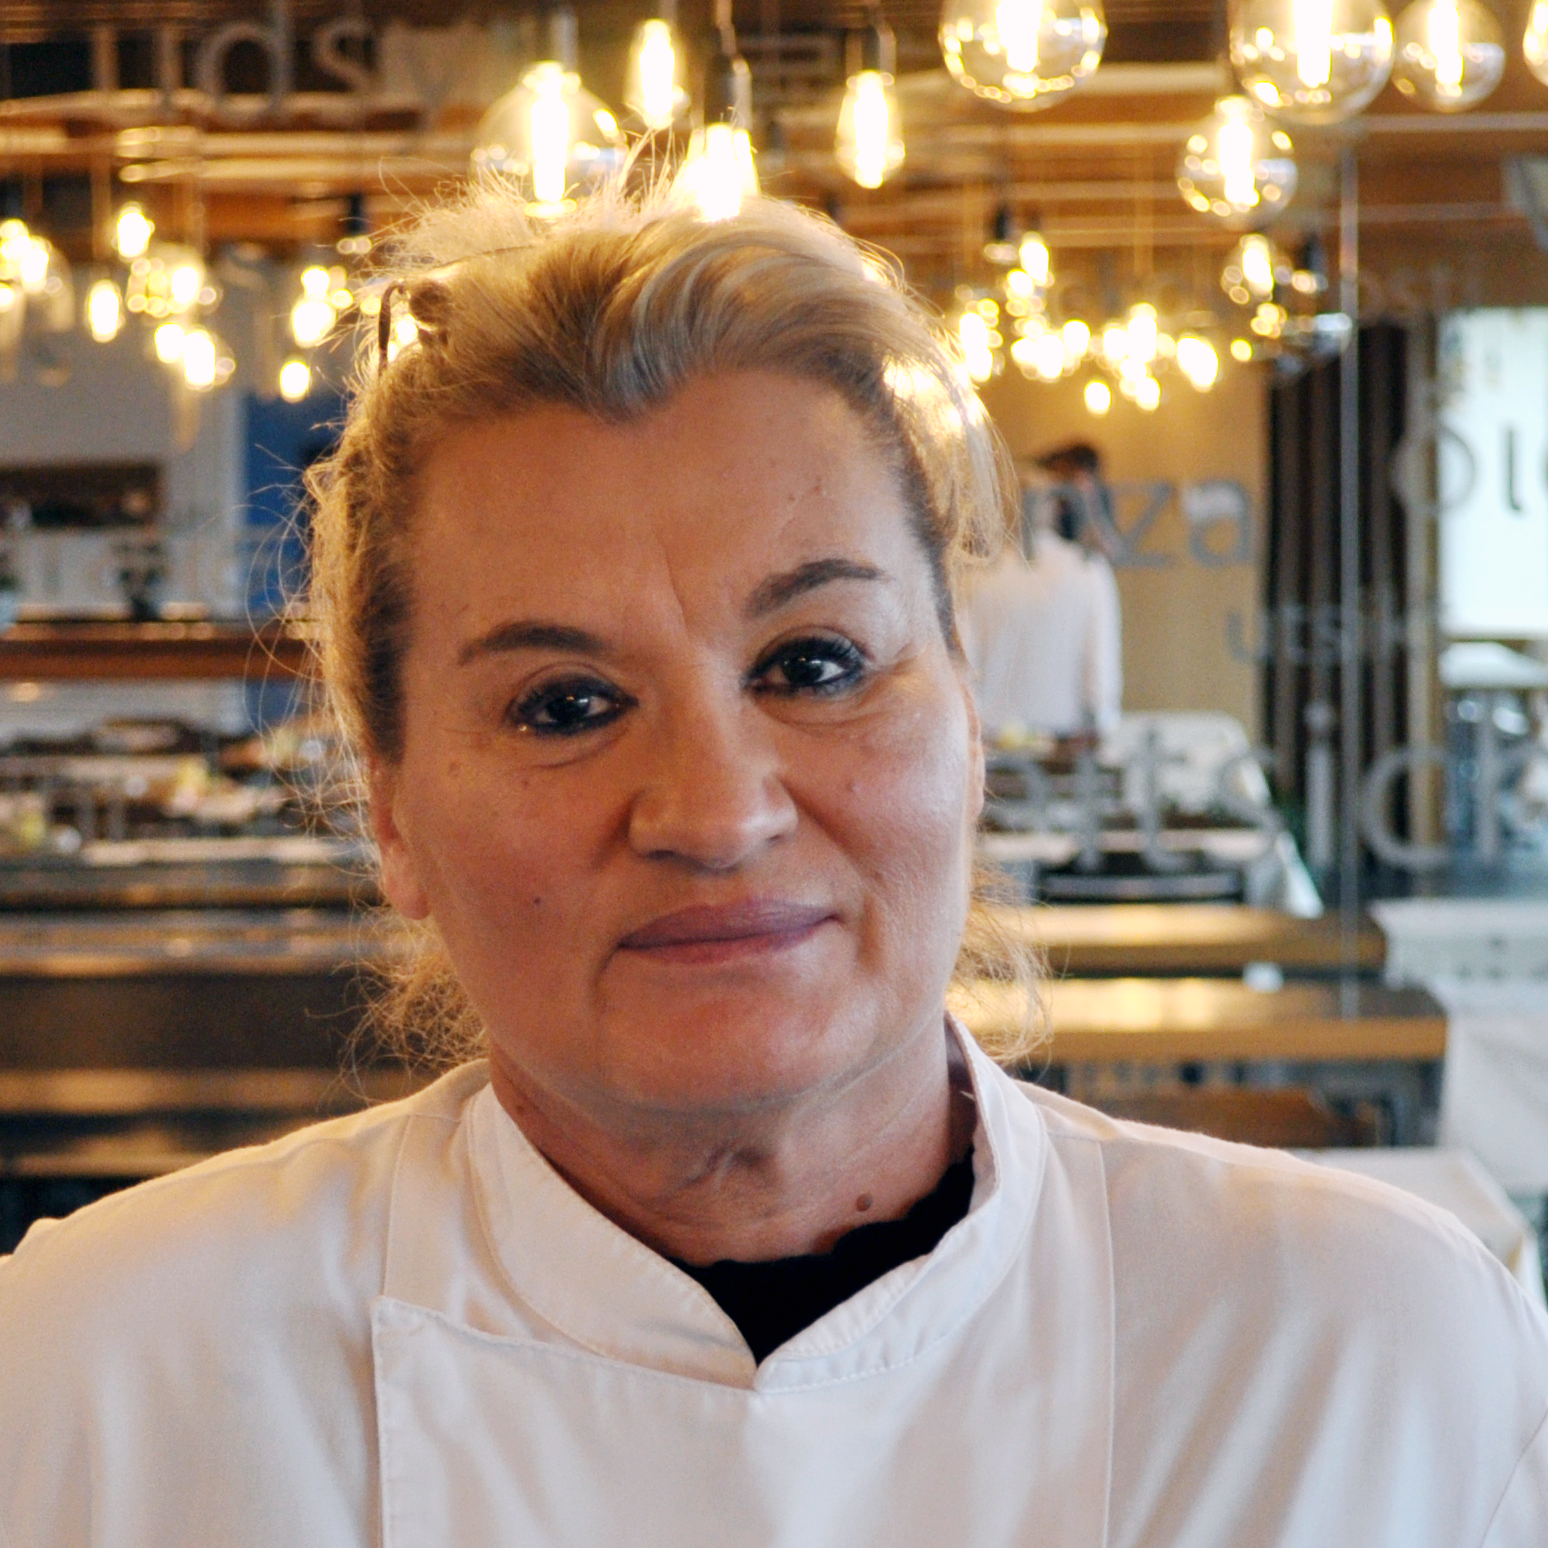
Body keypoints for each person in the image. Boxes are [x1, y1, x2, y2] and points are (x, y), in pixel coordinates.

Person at [1, 178, 1545, 1548]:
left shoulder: (1376, 1361)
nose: (715, 811)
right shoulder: (94, 1384)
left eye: (813, 663)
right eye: (565, 704)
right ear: (390, 807)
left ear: (969, 714)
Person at [961, 463, 1123, 741]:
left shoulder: (976, 575)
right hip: (1064, 745)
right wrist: (1102, 728)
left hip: (991, 743)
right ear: (1054, 508)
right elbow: (1100, 675)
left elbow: (963, 664)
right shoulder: (1089, 571)